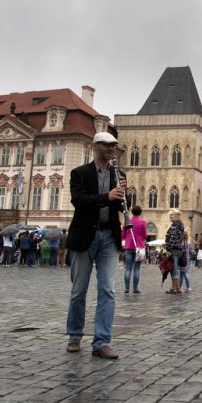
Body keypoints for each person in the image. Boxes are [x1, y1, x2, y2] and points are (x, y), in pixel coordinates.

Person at [65, 131, 126, 360]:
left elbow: (122, 207)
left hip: (109, 237)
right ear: (95, 146)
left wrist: (125, 196)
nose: (111, 149)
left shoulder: (118, 174)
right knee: (79, 290)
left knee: (108, 290)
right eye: (106, 145)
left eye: (113, 145)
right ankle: (74, 335)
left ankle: (102, 341)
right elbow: (79, 201)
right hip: (84, 236)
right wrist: (107, 197)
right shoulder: (79, 173)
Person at [123, 205, 147, 294]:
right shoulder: (142, 222)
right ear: (140, 213)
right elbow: (145, 235)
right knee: (137, 269)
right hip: (139, 247)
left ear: (132, 212)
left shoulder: (127, 221)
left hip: (129, 246)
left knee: (128, 268)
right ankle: (135, 288)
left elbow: (123, 235)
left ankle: (126, 288)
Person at [165, 209, 186, 294]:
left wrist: (168, 248)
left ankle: (174, 288)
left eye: (171, 215)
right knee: (175, 268)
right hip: (179, 249)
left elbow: (172, 238)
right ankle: (177, 287)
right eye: (170, 215)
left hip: (173, 249)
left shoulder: (175, 225)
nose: (170, 217)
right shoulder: (181, 225)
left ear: (176, 216)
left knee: (173, 269)